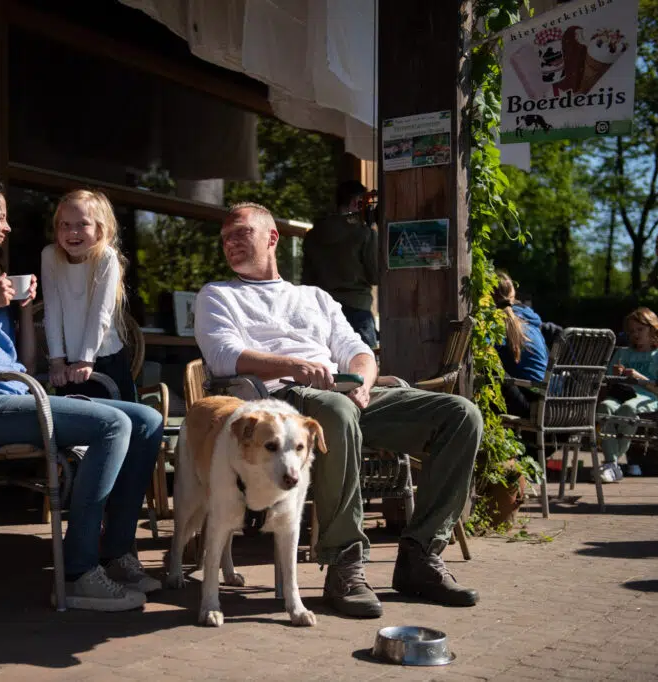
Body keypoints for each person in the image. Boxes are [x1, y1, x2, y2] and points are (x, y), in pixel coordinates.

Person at [194, 202, 482, 619]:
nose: (230, 244)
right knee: (335, 411)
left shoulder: (314, 297)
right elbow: (222, 357)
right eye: (225, 239)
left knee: (460, 415)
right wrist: (293, 367)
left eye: (242, 233)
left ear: (272, 238)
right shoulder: (217, 295)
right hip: (284, 405)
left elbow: (358, 351)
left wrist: (362, 384)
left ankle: (421, 554)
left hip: (344, 396)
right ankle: (344, 562)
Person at [0, 176, 163, 611]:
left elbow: (18, 362)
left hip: (9, 396)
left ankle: (116, 553)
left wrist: (20, 313)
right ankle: (79, 573)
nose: (5, 228)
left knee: (146, 419)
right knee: (113, 424)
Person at [42, 189, 137, 402]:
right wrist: (57, 360)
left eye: (82, 224)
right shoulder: (50, 256)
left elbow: (100, 314)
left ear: (99, 231)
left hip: (104, 358)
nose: (72, 232)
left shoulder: (105, 257)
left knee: (117, 424)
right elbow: (52, 310)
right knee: (72, 428)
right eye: (64, 225)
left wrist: (86, 360)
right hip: (67, 363)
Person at [596, 307, 658, 483]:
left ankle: (610, 463)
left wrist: (638, 377)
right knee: (605, 407)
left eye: (640, 329)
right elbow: (607, 380)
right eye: (631, 331)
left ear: (653, 329)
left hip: (649, 397)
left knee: (628, 409)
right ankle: (612, 465)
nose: (635, 334)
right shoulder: (623, 353)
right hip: (622, 394)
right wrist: (616, 375)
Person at [302, 180, 380, 348]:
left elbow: (306, 279)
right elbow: (375, 275)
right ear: (355, 202)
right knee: (364, 365)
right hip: (356, 309)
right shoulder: (364, 235)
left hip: (321, 310)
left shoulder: (313, 236)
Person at [493, 271, 551, 418]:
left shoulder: (495, 324)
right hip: (552, 403)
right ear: (514, 295)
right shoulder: (532, 324)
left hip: (532, 408)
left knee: (490, 369)